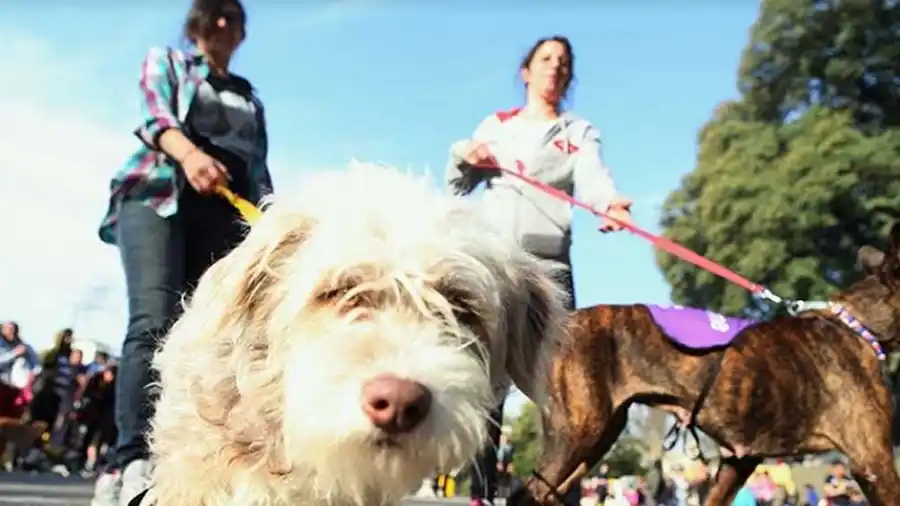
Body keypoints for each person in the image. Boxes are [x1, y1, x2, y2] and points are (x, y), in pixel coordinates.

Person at [91, 0, 273, 504]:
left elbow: (259, 168)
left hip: (226, 216)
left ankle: (184, 457)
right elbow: (155, 117)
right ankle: (130, 459)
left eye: (233, 18)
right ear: (196, 24)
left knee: (208, 337)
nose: (223, 24)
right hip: (158, 195)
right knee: (153, 320)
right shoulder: (168, 62)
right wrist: (191, 155)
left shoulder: (249, 98)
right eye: (214, 15)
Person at [445, 35, 633, 506]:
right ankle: (482, 494)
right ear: (526, 71)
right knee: (486, 381)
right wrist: (467, 154)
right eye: (546, 59)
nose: (556, 67)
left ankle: (557, 490)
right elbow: (456, 184)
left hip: (550, 272)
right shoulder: (499, 125)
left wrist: (609, 204)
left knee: (562, 384)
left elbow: (593, 177)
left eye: (564, 63)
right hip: (497, 264)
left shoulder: (578, 131)